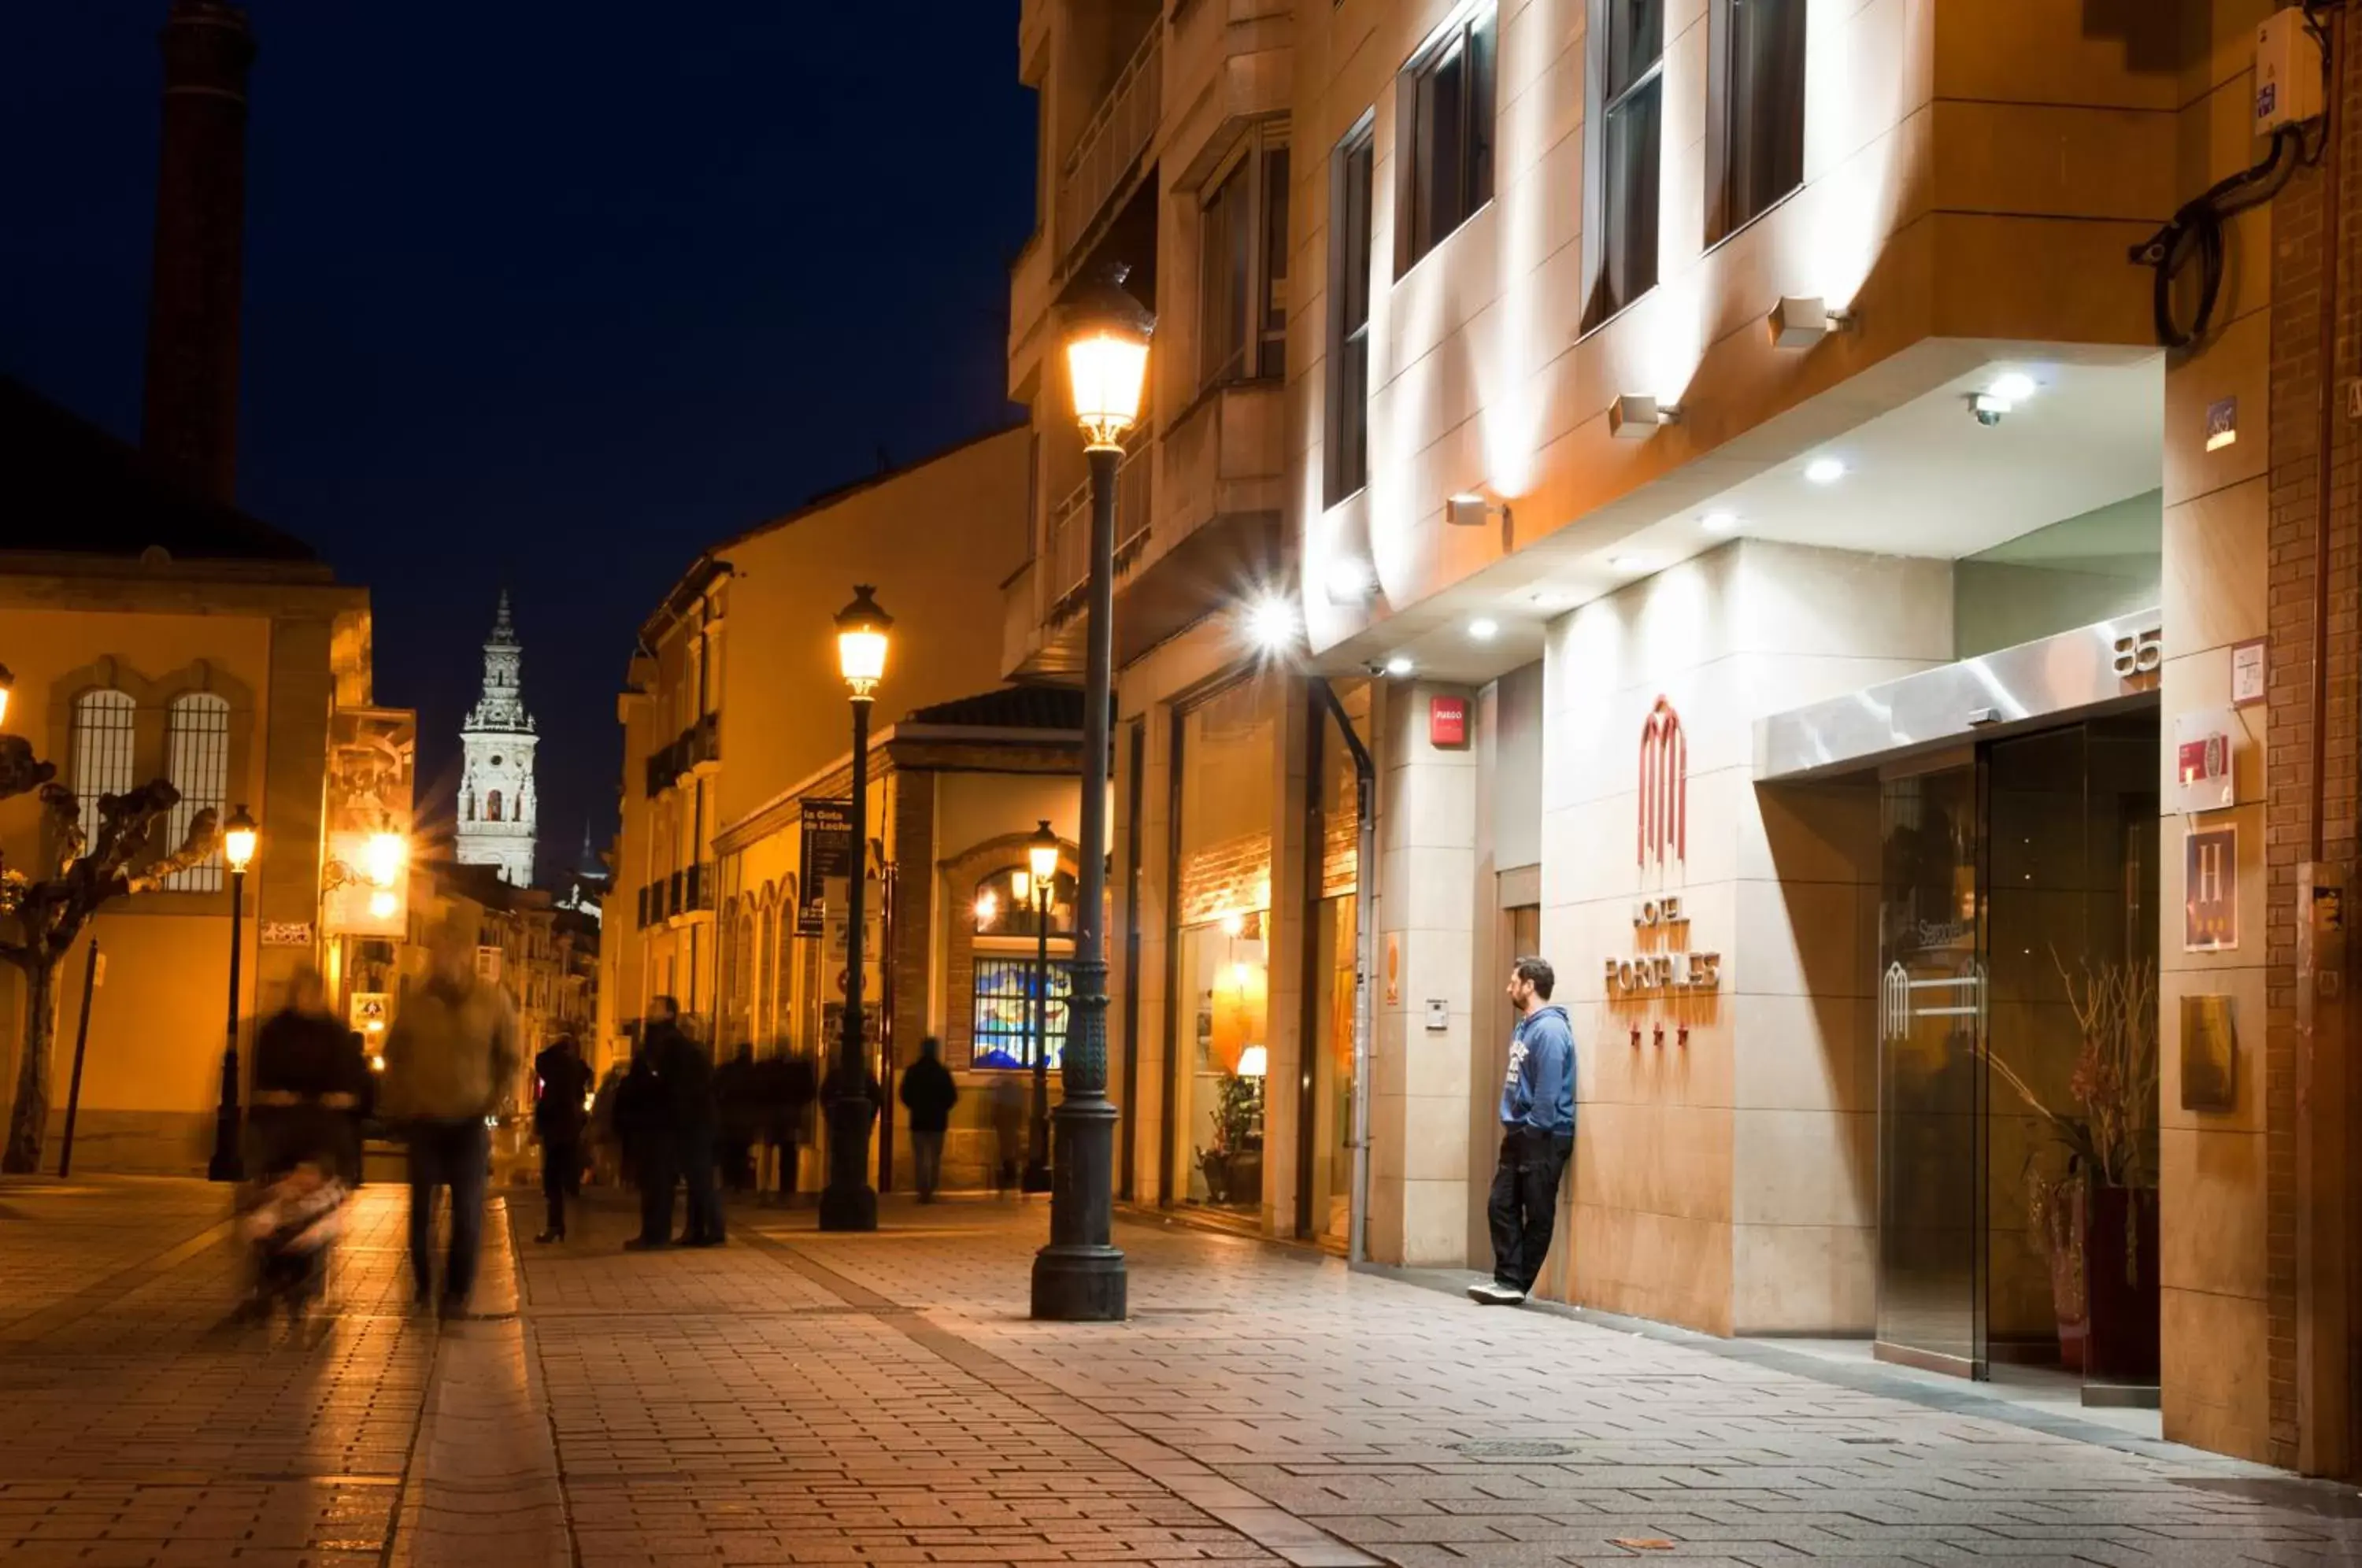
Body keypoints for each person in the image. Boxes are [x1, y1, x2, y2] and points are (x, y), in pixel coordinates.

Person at [379, 923, 520, 1315]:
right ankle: (424, 1286)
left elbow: (509, 1056)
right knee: (421, 1211)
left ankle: (457, 1292)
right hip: (424, 1117)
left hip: (470, 1119)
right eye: (437, 952)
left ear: (466, 956)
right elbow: (394, 1054)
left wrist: (495, 1101)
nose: (443, 960)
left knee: (468, 1211)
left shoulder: (492, 1001)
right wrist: (402, 1099)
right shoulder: (417, 1003)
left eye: (450, 952)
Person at [245, 967, 367, 1318]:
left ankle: (307, 1283)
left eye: (312, 992)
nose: (306, 998)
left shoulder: (335, 1034)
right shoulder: (276, 1031)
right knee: (272, 1207)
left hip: (320, 1134)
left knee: (315, 1210)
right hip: (282, 1133)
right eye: (302, 992)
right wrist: (273, 1096)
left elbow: (349, 1082)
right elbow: (263, 1078)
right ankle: (268, 1280)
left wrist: (339, 1098)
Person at [1469, 957, 1576, 1307]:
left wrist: (1533, 1130)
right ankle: (1508, 1279)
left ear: (1530, 985)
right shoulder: (1524, 1027)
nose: (1508, 987)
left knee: (1539, 1212)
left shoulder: (1550, 1031)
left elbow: (1547, 1092)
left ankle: (1516, 1282)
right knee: (1500, 1204)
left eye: (1514, 981)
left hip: (1543, 1136)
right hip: (1520, 1134)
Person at [532, 1035, 593, 1243]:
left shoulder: (556, 1074)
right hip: (570, 1128)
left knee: (552, 1180)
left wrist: (557, 1045)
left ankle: (555, 1225)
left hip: (555, 1130)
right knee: (566, 1173)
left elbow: (540, 1060)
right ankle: (562, 1224)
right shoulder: (576, 1073)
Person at [616, 1037, 672, 1248]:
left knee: (648, 1191)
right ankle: (660, 1234)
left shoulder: (631, 1084)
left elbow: (620, 1114)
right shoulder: (661, 1085)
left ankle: (650, 1234)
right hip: (659, 1142)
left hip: (640, 1142)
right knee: (660, 1189)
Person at [898, 1037, 958, 1202]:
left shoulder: (913, 1071)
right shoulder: (942, 1073)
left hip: (918, 1120)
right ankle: (930, 1188)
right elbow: (952, 1096)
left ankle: (921, 1189)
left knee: (919, 1157)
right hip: (938, 1122)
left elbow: (904, 1093)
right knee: (934, 1157)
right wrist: (942, 1108)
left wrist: (914, 1106)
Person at [714, 1043, 760, 1192]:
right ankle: (740, 1184)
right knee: (741, 1152)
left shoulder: (728, 1070)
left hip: (729, 1118)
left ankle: (729, 1182)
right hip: (746, 1119)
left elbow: (716, 1088)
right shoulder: (754, 1072)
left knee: (729, 1151)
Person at [987, 1075, 1025, 1198]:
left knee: (1004, 1151)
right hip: (1011, 1129)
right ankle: (1010, 1176)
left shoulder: (1000, 1099)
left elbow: (995, 1114)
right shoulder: (1015, 1098)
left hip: (1003, 1129)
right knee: (1011, 1151)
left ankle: (1006, 1177)